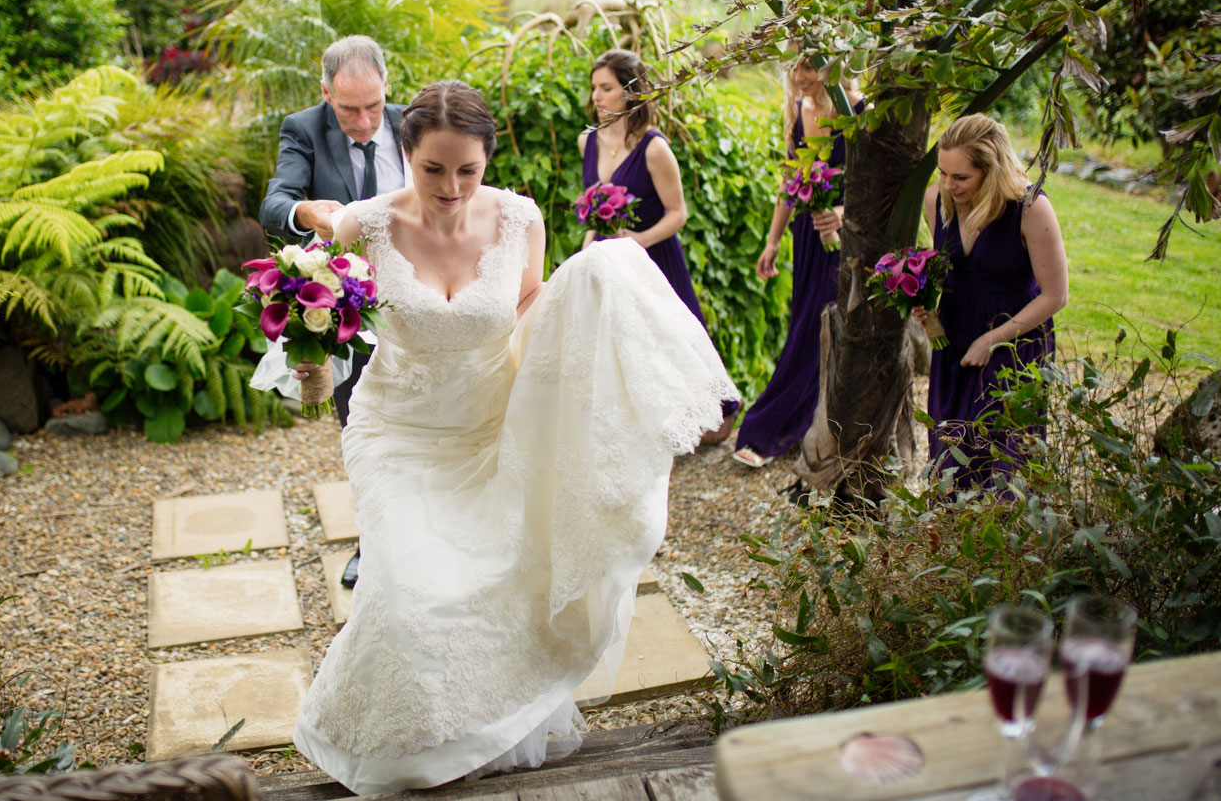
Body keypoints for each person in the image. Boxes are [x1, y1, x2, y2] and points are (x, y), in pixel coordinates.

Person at [290, 81, 737, 795]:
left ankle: (483, 734)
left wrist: (574, 370)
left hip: (491, 421)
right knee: (409, 593)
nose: (452, 186)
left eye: (467, 169)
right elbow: (311, 306)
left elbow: (528, 307)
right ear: (405, 154)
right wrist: (309, 356)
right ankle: (393, 746)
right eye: (434, 169)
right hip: (398, 430)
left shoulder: (519, 218)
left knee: (502, 578)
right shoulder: (362, 226)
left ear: (487, 160)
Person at [259, 35, 404, 588]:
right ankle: (372, 542)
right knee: (362, 426)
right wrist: (304, 210)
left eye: (373, 106)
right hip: (351, 309)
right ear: (324, 92)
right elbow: (275, 204)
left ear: (386, 88)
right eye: (348, 109)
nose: (365, 122)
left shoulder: (412, 123)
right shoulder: (303, 129)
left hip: (420, 298)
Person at [578, 49, 739, 442]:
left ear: (631, 92)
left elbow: (677, 213)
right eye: (594, 88)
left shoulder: (654, 147)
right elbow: (595, 209)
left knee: (673, 343)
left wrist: (639, 241)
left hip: (655, 259)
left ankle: (708, 419)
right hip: (607, 262)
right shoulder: (588, 142)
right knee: (616, 346)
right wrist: (585, 253)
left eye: (606, 88)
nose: (596, 97)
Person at [917, 113, 1068, 494]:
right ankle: (951, 541)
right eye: (943, 173)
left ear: (991, 169)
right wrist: (926, 308)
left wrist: (992, 340)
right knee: (949, 447)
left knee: (1002, 455)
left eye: (961, 177)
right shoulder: (937, 199)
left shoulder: (1030, 207)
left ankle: (1001, 543)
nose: (949, 185)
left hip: (1015, 339)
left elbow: (1056, 295)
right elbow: (948, 272)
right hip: (954, 336)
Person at [732, 57, 864, 470]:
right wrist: (773, 241)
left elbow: (880, 185)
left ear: (834, 64)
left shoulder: (859, 111)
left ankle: (769, 428)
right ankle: (807, 425)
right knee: (807, 324)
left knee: (819, 325)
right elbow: (790, 184)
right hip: (808, 238)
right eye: (795, 69)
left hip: (852, 236)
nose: (801, 77)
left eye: (810, 67)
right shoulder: (798, 110)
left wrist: (842, 213)